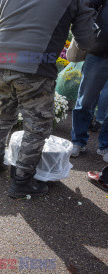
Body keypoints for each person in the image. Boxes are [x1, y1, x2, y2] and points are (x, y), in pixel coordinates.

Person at [0, 0, 98, 198]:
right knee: (37, 127)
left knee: (3, 115)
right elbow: (86, 39)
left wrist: (0, 58)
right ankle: (21, 181)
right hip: (36, 68)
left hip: (3, 63)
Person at [71, 0, 108, 160]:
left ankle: (105, 145)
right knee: (85, 100)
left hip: (99, 47)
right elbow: (88, 4)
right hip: (99, 50)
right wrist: (92, 31)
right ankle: (78, 141)